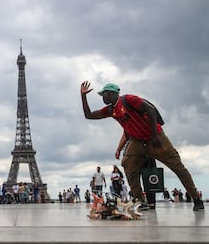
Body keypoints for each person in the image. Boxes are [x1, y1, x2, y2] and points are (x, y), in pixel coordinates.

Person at [81, 81, 204, 211]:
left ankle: (196, 198)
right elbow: (89, 115)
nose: (102, 98)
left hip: (155, 138)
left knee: (177, 167)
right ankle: (140, 200)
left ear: (112, 93)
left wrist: (155, 135)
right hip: (138, 142)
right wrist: (83, 96)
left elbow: (150, 109)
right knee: (128, 164)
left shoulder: (128, 100)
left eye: (104, 95)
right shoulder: (111, 110)